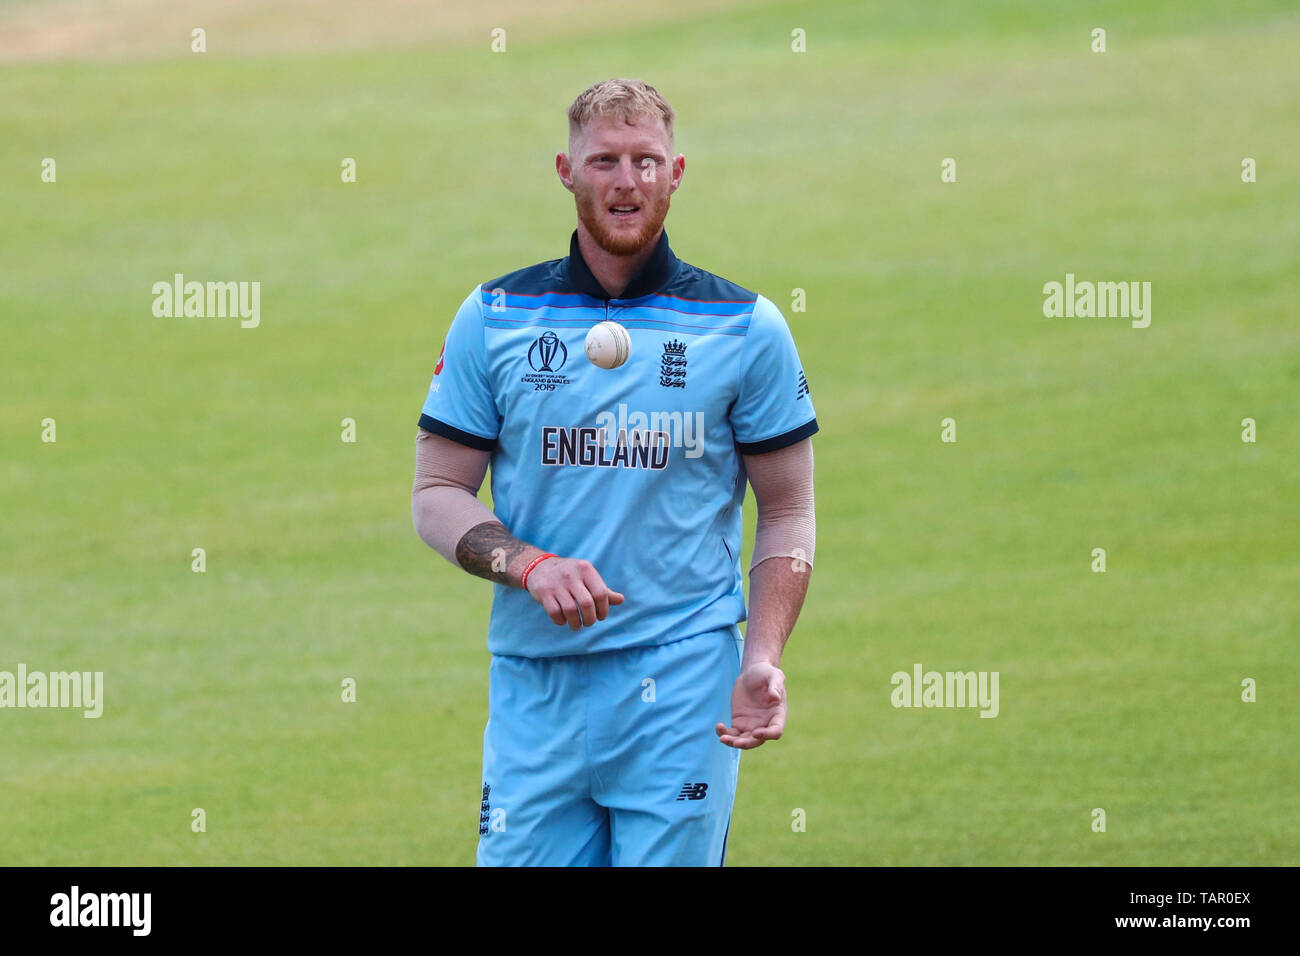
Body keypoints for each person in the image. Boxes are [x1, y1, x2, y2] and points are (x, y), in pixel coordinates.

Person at [412, 78, 817, 866]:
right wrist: (529, 565)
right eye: (604, 161)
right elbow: (436, 493)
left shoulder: (745, 329)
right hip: (537, 686)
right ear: (566, 171)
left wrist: (762, 654)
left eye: (645, 160)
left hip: (684, 685)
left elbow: (789, 511)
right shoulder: (495, 317)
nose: (625, 182)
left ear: (677, 172)